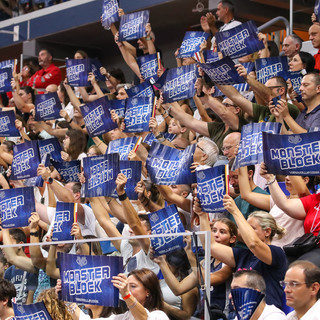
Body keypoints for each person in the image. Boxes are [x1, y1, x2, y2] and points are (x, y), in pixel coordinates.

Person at [196, 196, 287, 310]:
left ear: (267, 232)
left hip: (265, 314)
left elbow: (254, 244)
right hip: (239, 313)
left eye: (251, 228)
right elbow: (210, 246)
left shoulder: (276, 252)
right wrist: (203, 215)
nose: (245, 232)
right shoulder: (242, 255)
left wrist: (235, 211)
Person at [260, 162, 320, 266]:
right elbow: (285, 204)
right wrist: (270, 178)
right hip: (310, 250)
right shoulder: (315, 199)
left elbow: (301, 191)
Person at [239, 166, 311, 247]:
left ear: (305, 180)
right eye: (286, 175)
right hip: (268, 252)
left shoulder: (309, 202)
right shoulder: (277, 201)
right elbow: (246, 195)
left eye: (291, 175)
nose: (287, 178)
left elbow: (303, 191)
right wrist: (242, 162)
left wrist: (271, 178)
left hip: (288, 256)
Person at [57, 268, 170, 320]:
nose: (127, 289)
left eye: (133, 286)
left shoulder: (159, 316)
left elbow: (143, 318)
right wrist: (67, 298)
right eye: (126, 285)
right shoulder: (123, 317)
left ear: (148, 291)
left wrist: (126, 294)